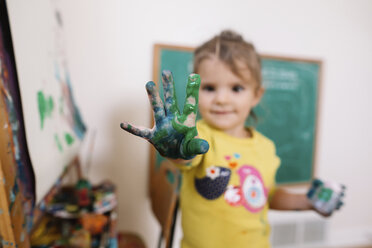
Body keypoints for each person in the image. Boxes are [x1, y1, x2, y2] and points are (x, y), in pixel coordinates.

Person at [120, 30, 344, 248]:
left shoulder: (266, 147)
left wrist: (307, 202)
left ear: (256, 95)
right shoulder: (198, 135)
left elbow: (268, 194)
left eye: (236, 88)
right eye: (209, 88)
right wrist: (177, 149)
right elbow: (187, 157)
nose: (222, 99)